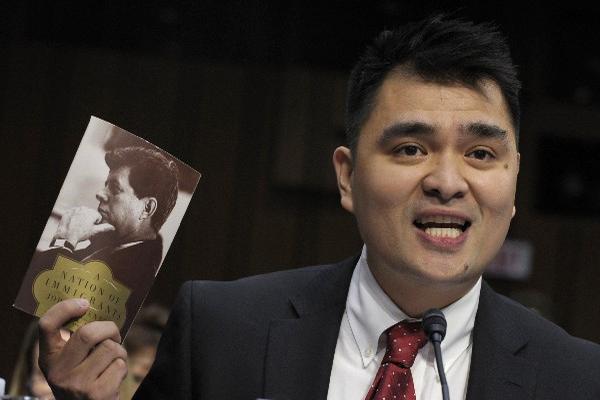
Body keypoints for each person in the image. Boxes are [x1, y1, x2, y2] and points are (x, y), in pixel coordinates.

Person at [37, 14, 600, 400]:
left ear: (514, 180)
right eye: (410, 148)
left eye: (481, 153)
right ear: (348, 176)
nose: (448, 182)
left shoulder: (577, 379)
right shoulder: (220, 331)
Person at [15, 146, 179, 331]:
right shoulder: (112, 242)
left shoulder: (138, 274)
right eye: (105, 184)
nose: (100, 194)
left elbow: (36, 300)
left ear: (147, 208)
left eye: (115, 188)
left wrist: (67, 240)